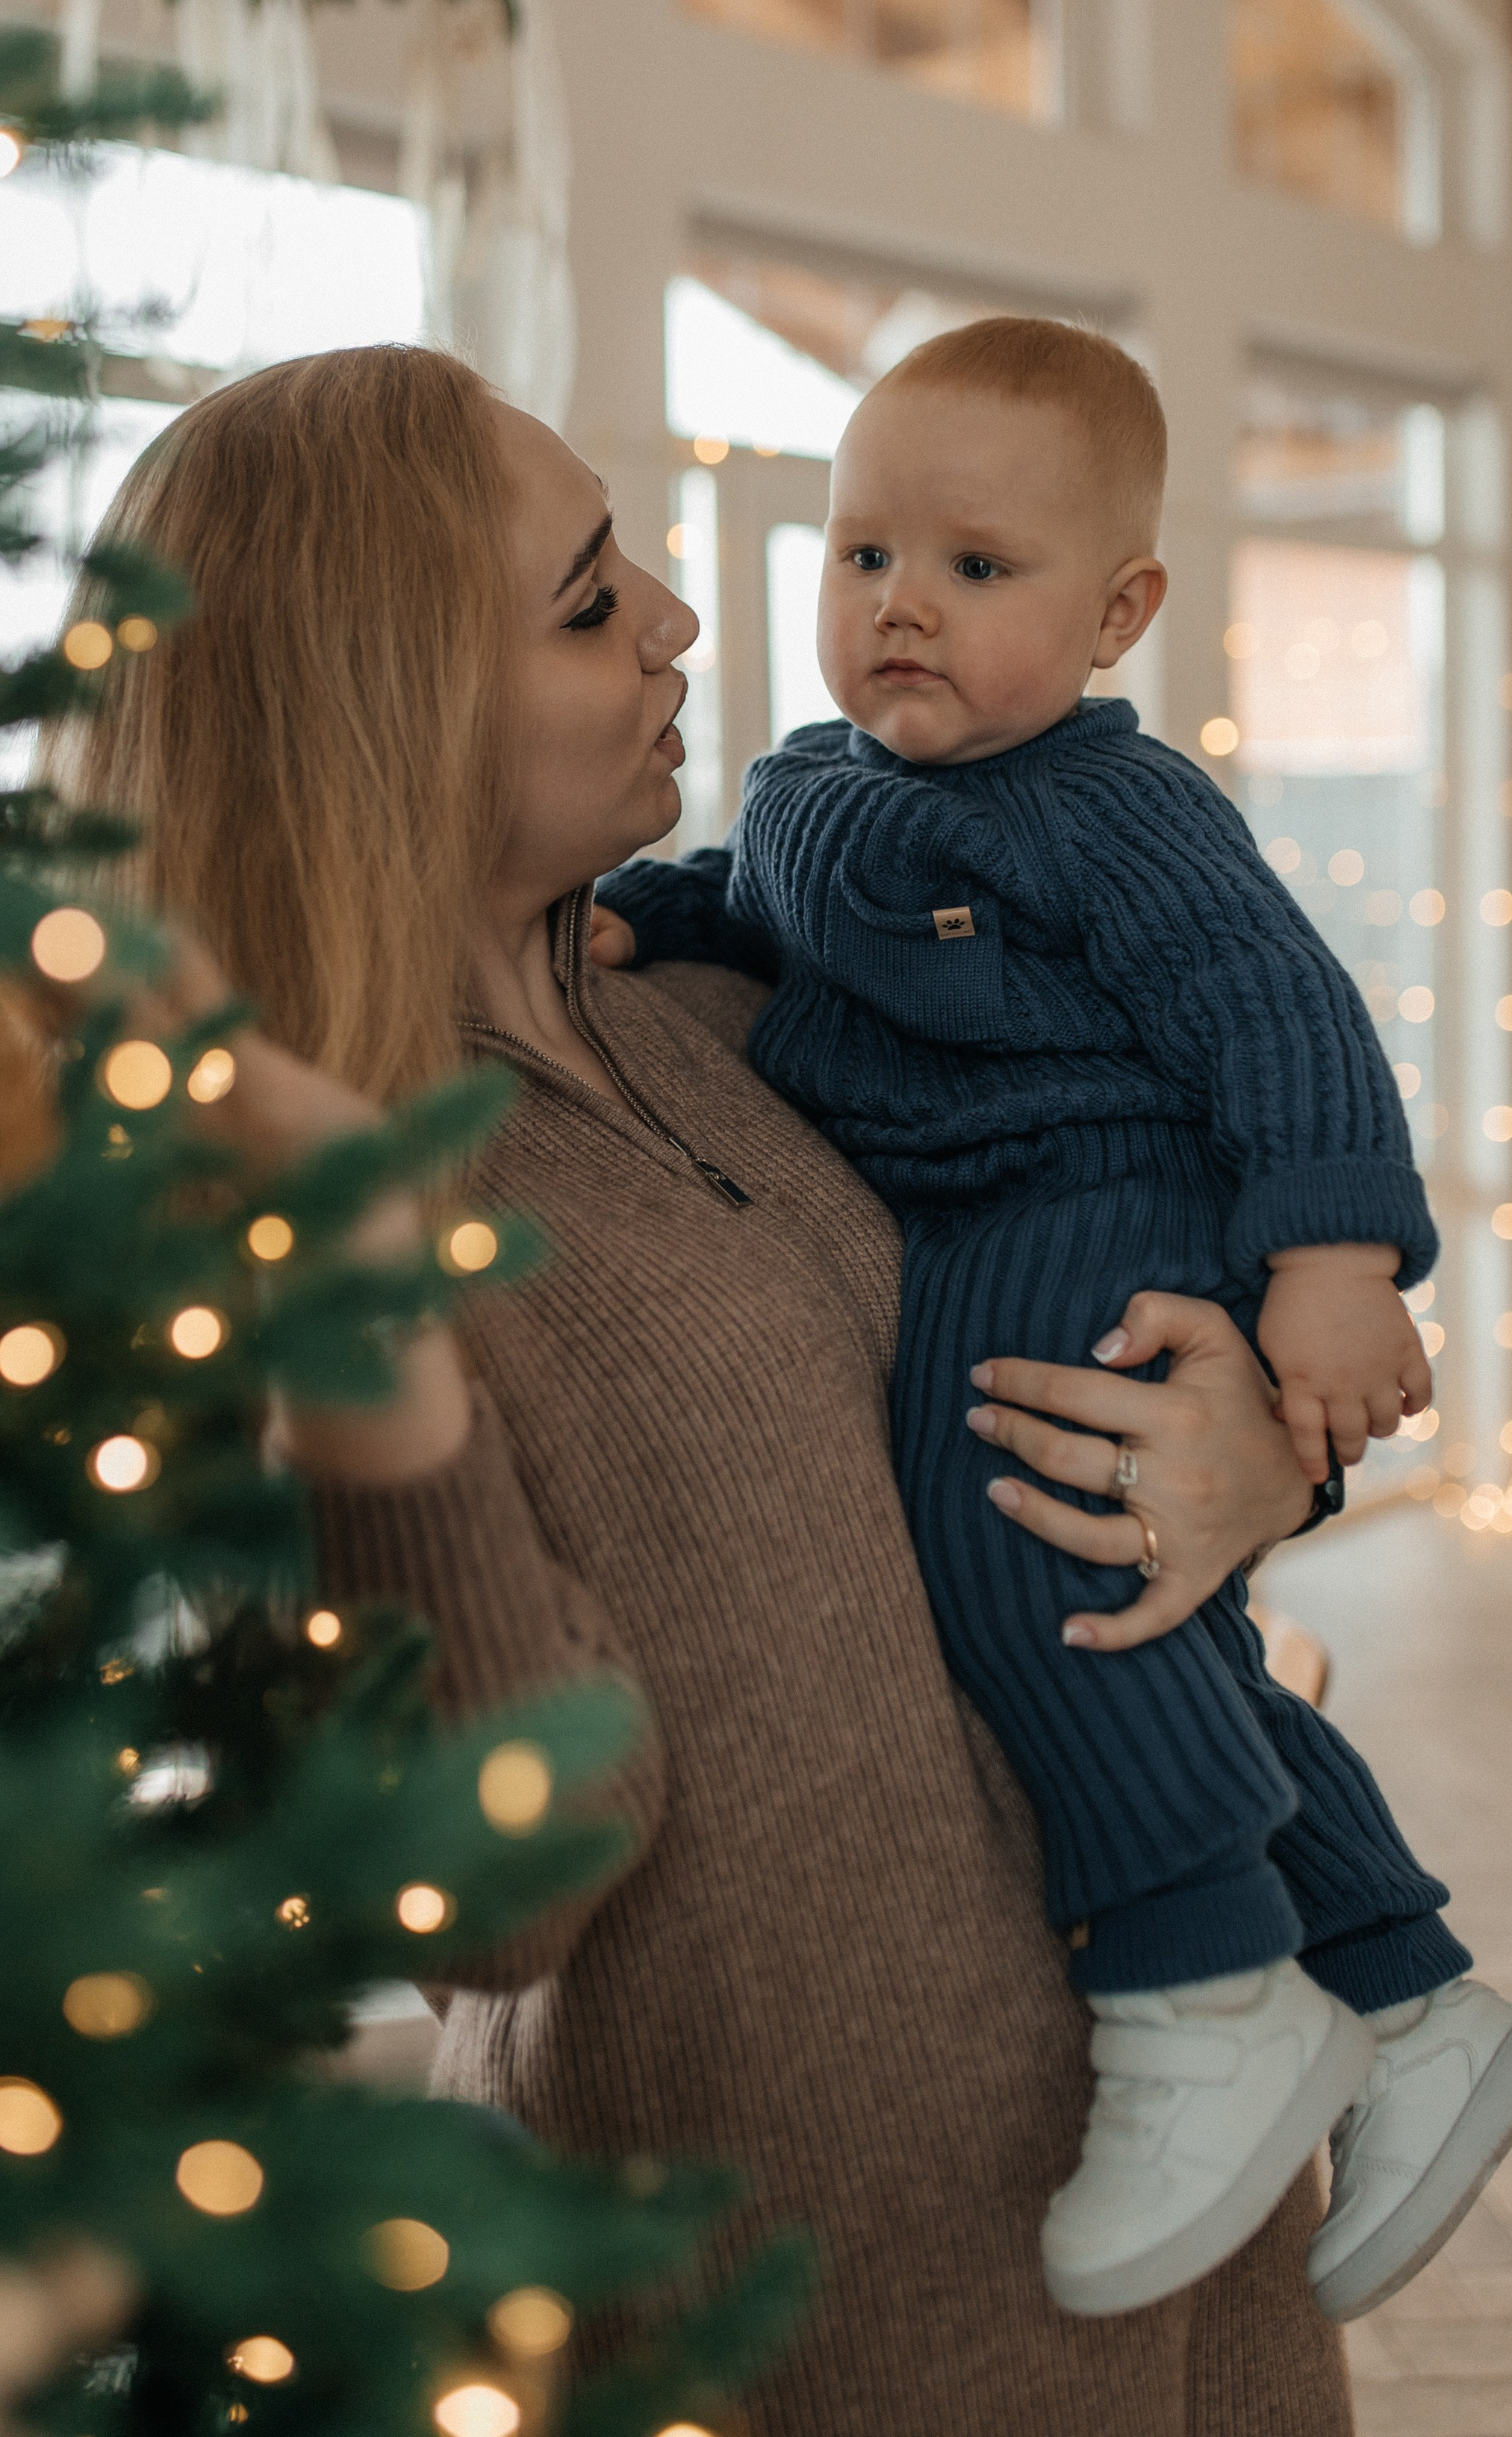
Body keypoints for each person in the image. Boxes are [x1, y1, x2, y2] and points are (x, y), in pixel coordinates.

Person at [58, 341, 1359, 2436]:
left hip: (1192, 2138)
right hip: (825, 2303)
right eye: (586, 601)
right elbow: (486, 1896)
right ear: (383, 709)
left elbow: (1113, 1263)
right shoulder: (292, 1222)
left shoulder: (750, 1007)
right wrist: (364, 1346)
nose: (676, 616)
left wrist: (1251, 1459)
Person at [591, 318, 1512, 2324]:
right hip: (961, 1208)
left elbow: (1285, 1018)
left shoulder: (1116, 807)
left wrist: (1334, 1266)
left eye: (976, 570)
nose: (902, 606)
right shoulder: (814, 783)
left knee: (1033, 1540)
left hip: (1093, 1194)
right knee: (1144, 1620)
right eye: (863, 560)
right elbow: (757, 902)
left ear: (1120, 612)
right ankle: (1397, 1981)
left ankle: (1198, 1988)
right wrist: (644, 919)